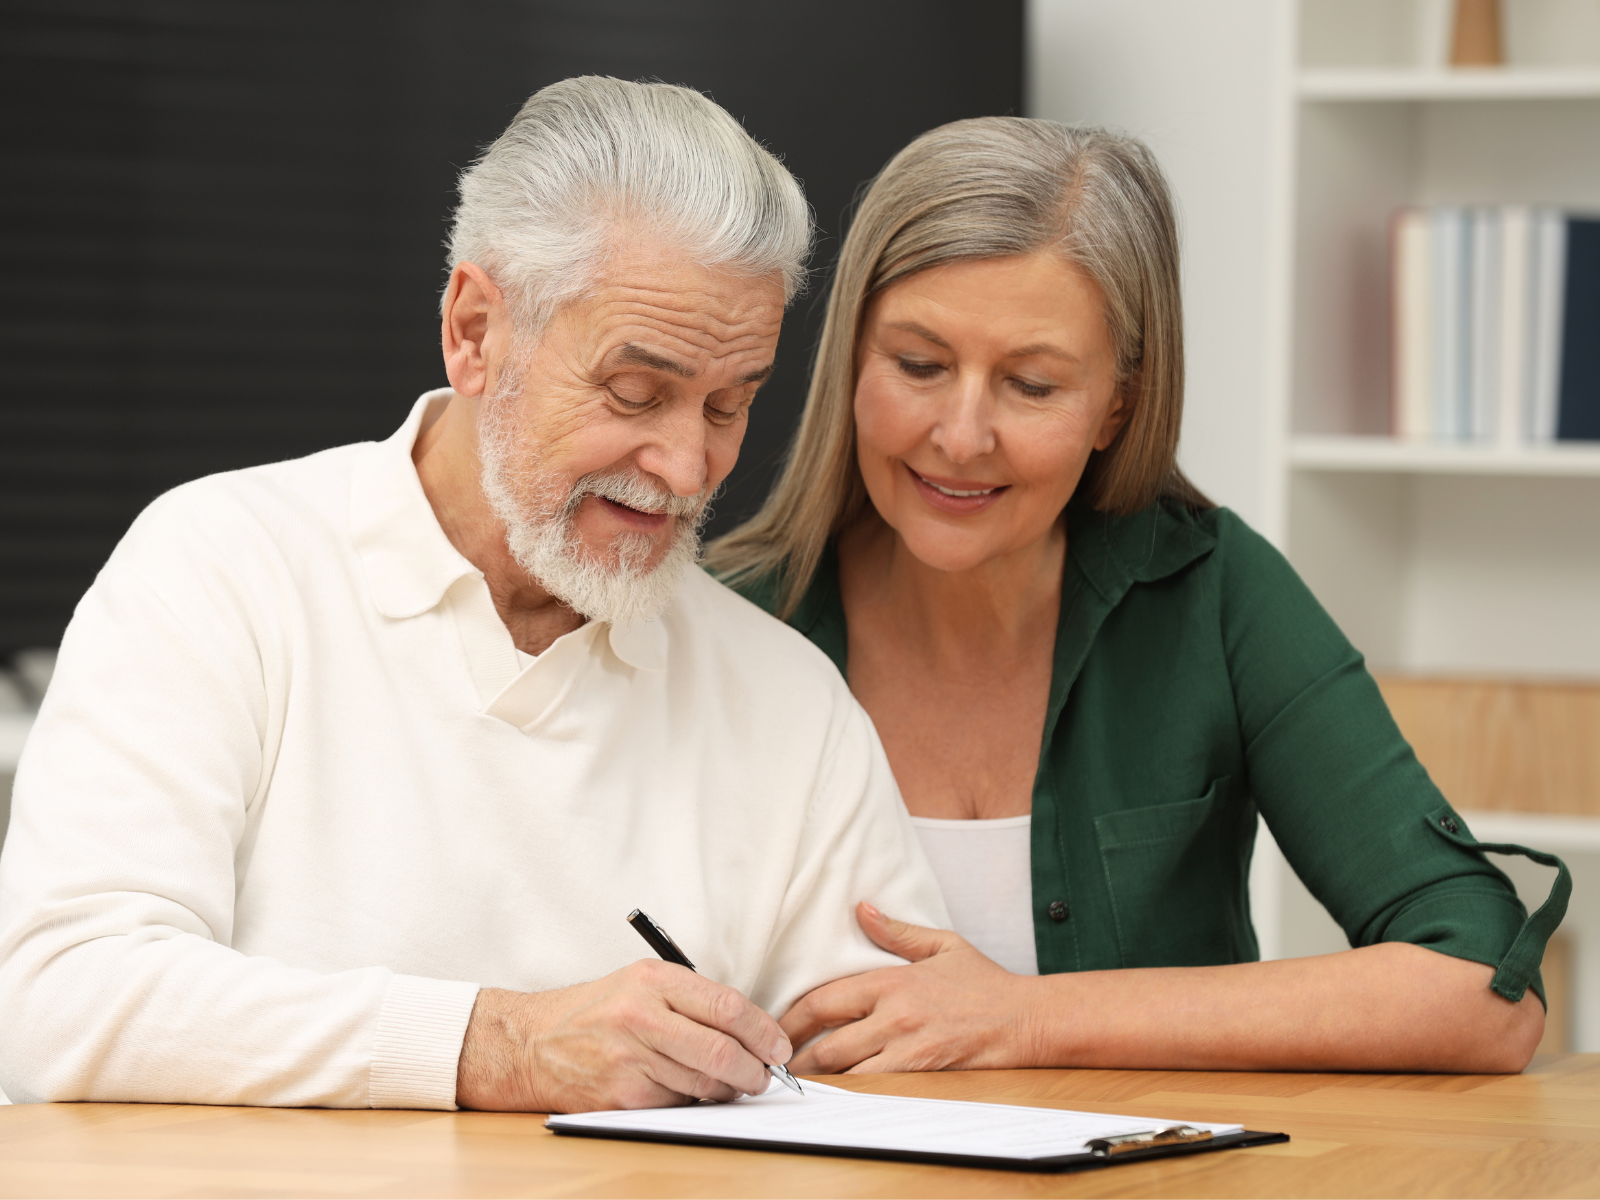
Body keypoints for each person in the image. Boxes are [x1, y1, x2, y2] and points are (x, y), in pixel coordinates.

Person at [0, 77, 947, 1112]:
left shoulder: (785, 701)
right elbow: (59, 1001)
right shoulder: (221, 570)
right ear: (475, 331)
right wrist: (500, 1046)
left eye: (729, 405)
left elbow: (885, 1084)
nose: (686, 468)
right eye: (636, 393)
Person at [707, 117, 1568, 1075]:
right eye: (918, 365)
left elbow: (1484, 987)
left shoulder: (1216, 594)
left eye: (1031, 386)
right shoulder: (714, 625)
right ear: (850, 358)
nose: (960, 435)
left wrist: (1026, 1020)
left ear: (1118, 404)